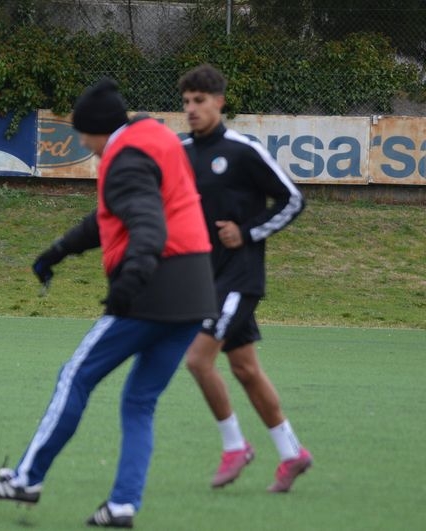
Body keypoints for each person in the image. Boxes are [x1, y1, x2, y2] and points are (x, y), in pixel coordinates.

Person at [0, 78, 217, 528]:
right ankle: (123, 505)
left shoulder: (124, 160)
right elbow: (108, 217)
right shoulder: (152, 136)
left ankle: (26, 479)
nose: (83, 143)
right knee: (140, 402)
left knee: (76, 376)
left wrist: (130, 284)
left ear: (100, 129)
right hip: (196, 293)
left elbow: (148, 225)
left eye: (84, 134)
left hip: (152, 290)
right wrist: (59, 251)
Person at [177, 64, 312, 493]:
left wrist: (248, 232)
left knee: (198, 360)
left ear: (219, 102)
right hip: (204, 276)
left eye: (200, 101)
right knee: (246, 369)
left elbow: (293, 199)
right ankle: (293, 453)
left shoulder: (242, 150)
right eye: (186, 102)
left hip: (239, 277)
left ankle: (235, 447)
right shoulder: (180, 150)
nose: (191, 109)